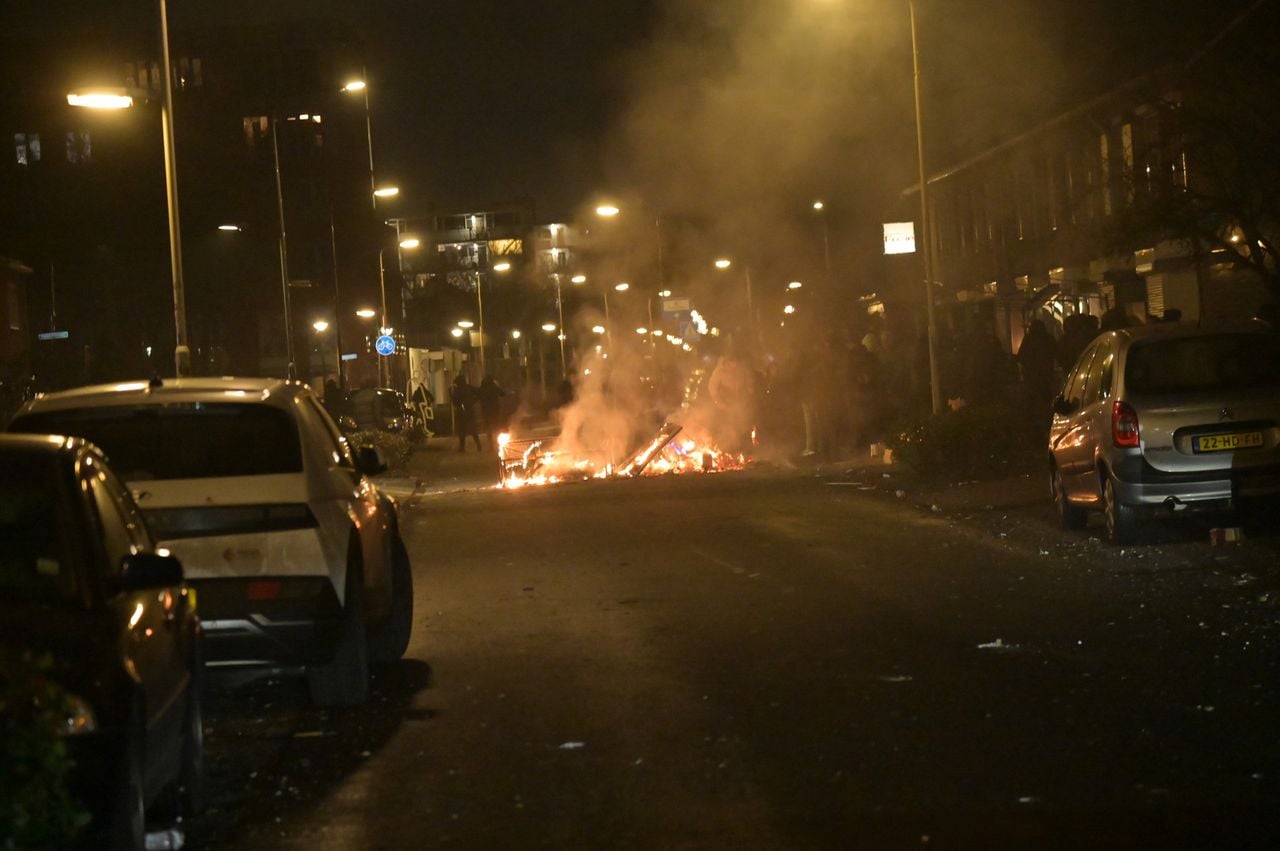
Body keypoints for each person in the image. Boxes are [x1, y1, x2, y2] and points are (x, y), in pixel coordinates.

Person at [451, 373, 482, 452]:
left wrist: (451, 394)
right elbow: (479, 392)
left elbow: (455, 401)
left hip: (461, 412)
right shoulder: (469, 388)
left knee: (462, 431)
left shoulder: (458, 390)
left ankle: (462, 447)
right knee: (473, 430)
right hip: (470, 411)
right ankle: (478, 446)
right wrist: (474, 401)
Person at [477, 375, 506, 439]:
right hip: (495, 409)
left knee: (488, 426)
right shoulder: (494, 387)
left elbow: (477, 397)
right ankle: (496, 438)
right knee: (495, 425)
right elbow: (502, 393)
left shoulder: (482, 388)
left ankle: (490, 440)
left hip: (485, 409)